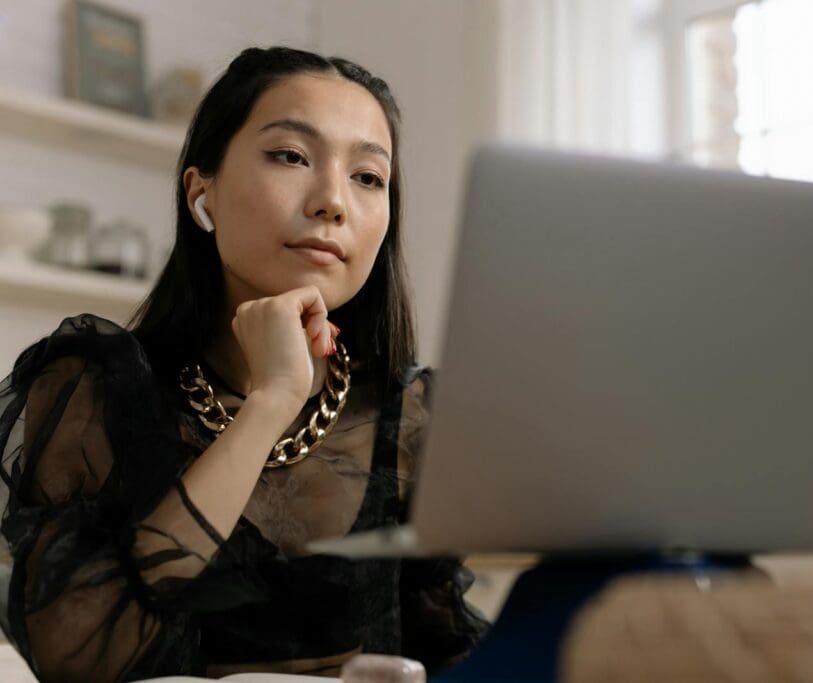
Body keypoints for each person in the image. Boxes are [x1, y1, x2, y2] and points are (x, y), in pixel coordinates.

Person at [0, 46, 488, 682]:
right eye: (291, 156)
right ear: (203, 192)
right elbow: (87, 660)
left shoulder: (412, 414)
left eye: (368, 177)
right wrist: (272, 399)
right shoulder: (92, 388)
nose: (332, 202)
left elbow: (445, 647)